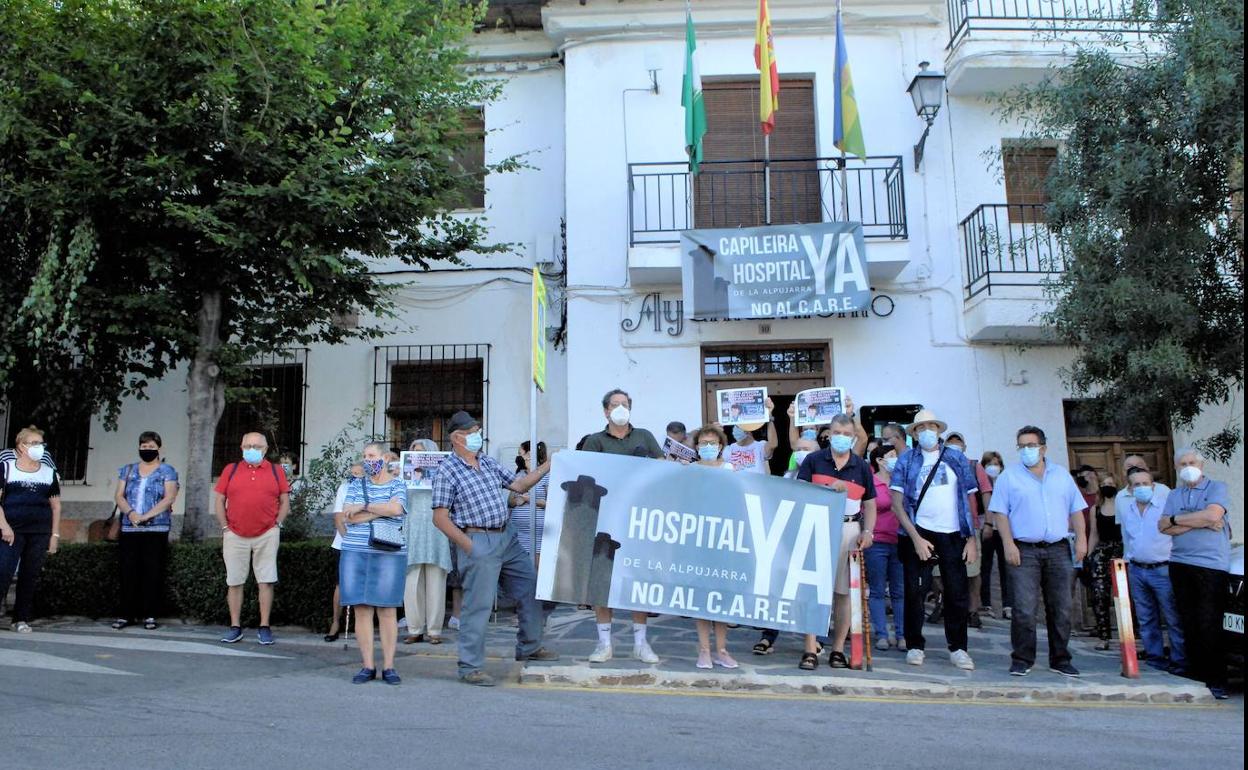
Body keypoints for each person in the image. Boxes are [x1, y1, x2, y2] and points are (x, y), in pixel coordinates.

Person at [432, 411, 558, 686]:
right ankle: (470, 667)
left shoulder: (486, 461)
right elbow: (439, 517)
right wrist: (470, 547)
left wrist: (548, 465)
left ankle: (530, 645)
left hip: (506, 537)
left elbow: (519, 484)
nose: (479, 435)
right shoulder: (447, 470)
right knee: (478, 606)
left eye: (478, 430)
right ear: (457, 437)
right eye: (473, 431)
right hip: (477, 540)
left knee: (530, 587)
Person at [989, 425, 1087, 678]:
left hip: (1058, 548)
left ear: (1043, 447)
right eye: (1022, 446)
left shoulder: (1061, 475)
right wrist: (1008, 544)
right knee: (1023, 608)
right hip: (1025, 550)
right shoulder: (1009, 477)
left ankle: (1060, 658)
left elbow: (1076, 509)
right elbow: (1000, 513)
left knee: (1062, 607)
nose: (1026, 450)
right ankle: (1022, 658)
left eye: (1031, 445)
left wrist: (1081, 541)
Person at [889, 411, 979, 671]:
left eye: (932, 426)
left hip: (952, 533)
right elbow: (897, 503)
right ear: (915, 433)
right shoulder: (906, 460)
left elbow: (969, 498)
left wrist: (971, 538)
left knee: (957, 592)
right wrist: (916, 537)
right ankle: (915, 644)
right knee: (915, 591)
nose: (927, 431)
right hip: (918, 531)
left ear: (938, 430)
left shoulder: (956, 458)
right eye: (922, 427)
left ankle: (958, 647)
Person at [581, 389, 663, 664]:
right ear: (605, 411)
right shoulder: (594, 441)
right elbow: (588, 474)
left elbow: (661, 471)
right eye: (614, 405)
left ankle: (641, 643)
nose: (619, 408)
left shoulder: (645, 437)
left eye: (624, 404)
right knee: (602, 580)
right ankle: (604, 643)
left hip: (639, 519)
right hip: (604, 518)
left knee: (637, 580)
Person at [794, 413, 877, 669]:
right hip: (817, 526)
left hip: (849, 529)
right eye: (837, 433)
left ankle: (838, 648)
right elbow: (798, 493)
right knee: (813, 591)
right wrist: (829, 486)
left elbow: (871, 503)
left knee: (844, 593)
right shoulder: (814, 460)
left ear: (853, 437)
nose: (841, 438)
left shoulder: (861, 466)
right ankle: (810, 648)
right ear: (829, 433)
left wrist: (868, 532)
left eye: (846, 434)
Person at [1160, 447, 1232, 699]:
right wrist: (1196, 520)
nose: (1187, 466)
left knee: (1209, 622)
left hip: (1211, 565)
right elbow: (1163, 526)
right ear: (1177, 468)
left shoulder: (1217, 488)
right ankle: (1197, 674)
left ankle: (1217, 680)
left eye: (1192, 462)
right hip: (1179, 563)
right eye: (1182, 463)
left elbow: (1214, 514)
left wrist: (1178, 520)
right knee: (1187, 621)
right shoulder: (1174, 494)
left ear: (1201, 465)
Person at [338, 442, 409, 684]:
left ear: (385, 457)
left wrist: (366, 507)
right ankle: (367, 666)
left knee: (388, 609)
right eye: (365, 456)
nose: (368, 460)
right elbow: (348, 515)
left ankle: (389, 666)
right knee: (361, 608)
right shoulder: (356, 484)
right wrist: (382, 510)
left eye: (372, 456)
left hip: (388, 552)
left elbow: (397, 508)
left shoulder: (398, 483)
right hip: (355, 551)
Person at [214, 432, 290, 645]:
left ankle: (264, 626)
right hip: (234, 534)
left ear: (265, 450)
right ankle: (235, 626)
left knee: (265, 581)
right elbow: (220, 500)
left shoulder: (276, 472)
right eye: (248, 445)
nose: (252, 449)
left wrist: (277, 525)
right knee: (234, 581)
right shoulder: (231, 469)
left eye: (256, 446)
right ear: (241, 447)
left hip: (267, 533)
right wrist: (225, 527)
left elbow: (285, 501)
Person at [110, 431, 179, 631]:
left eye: (151, 446)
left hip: (156, 528)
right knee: (127, 571)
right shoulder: (128, 470)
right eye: (143, 446)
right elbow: (119, 495)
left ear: (159, 448)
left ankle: (150, 614)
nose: (147, 450)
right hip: (130, 528)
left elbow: (169, 497)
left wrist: (146, 515)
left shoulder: (167, 471)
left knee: (153, 571)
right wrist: (131, 513)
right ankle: (126, 614)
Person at [1119, 467, 1184, 673]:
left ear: (1153, 486)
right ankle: (1155, 658)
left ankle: (1180, 661)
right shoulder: (1128, 509)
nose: (1141, 488)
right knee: (1146, 618)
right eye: (1136, 484)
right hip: (1137, 569)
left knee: (1173, 617)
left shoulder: (1165, 507)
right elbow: (1129, 539)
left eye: (1145, 483)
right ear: (1130, 488)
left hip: (1162, 569)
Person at [0, 426, 62, 633]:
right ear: (21, 446)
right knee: (3, 572)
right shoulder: (6, 467)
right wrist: (4, 526)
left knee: (30, 574)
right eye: (34, 443)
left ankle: (20, 618)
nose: (39, 448)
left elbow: (56, 505)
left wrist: (54, 535)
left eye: (41, 444)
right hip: (11, 530)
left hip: (39, 531)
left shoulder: (48, 472)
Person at [689, 425, 739, 669]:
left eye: (713, 442)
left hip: (724, 539)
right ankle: (704, 650)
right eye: (703, 442)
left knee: (721, 596)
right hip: (698, 539)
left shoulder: (731, 470)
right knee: (701, 596)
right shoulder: (689, 471)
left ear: (721, 446)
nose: (708, 446)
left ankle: (721, 649)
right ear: (697, 446)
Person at [398, 439, 452, 646]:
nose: (418, 458)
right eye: (414, 454)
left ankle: (435, 629)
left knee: (436, 581)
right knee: (411, 583)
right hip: (412, 531)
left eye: (422, 454)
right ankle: (414, 628)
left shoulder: (443, 477)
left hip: (436, 531)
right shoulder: (403, 478)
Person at [945, 431, 992, 628]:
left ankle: (973, 610)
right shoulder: (941, 465)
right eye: (951, 442)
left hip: (970, 525)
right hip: (946, 526)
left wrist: (988, 522)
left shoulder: (974, 466)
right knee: (942, 573)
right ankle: (948, 605)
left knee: (973, 572)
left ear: (964, 446)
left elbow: (985, 493)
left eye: (959, 442)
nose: (955, 445)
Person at [866, 444, 905, 651]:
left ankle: (902, 634)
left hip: (900, 541)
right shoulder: (871, 482)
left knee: (900, 591)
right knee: (878, 590)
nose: (895, 459)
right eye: (891, 456)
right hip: (877, 541)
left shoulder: (902, 480)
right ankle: (881, 633)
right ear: (879, 461)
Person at [324, 463, 363, 642]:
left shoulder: (373, 487)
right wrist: (348, 539)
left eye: (358, 472)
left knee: (363, 585)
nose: (354, 475)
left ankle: (361, 625)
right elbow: (338, 518)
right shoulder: (344, 487)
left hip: (365, 543)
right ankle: (335, 622)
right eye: (352, 473)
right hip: (344, 543)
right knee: (340, 585)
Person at [1083, 473, 1123, 650]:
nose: (1108, 486)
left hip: (1122, 550)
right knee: (1100, 595)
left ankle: (1130, 634)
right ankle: (1103, 635)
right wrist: (1089, 555)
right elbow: (1094, 534)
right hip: (1102, 552)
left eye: (1111, 483)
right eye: (1104, 483)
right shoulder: (1095, 508)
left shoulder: (1124, 505)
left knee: (1125, 595)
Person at [978, 451, 1010, 619]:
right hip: (986, 527)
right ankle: (986, 603)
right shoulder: (980, 484)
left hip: (1004, 529)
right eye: (989, 464)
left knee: (1006, 568)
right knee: (985, 566)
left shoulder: (1007, 483)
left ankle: (1008, 605)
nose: (993, 467)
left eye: (996, 464)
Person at [509, 440, 549, 559]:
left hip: (538, 534)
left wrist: (529, 500)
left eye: (520, 453)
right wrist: (517, 500)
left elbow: (552, 504)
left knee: (536, 567)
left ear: (529, 454)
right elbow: (509, 502)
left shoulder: (546, 475)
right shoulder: (519, 475)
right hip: (518, 533)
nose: (519, 456)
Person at [724, 397, 777, 474]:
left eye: (740, 427)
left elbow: (773, 444)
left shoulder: (760, 446)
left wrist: (769, 418)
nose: (736, 429)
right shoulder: (729, 449)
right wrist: (717, 431)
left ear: (749, 431)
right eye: (736, 426)